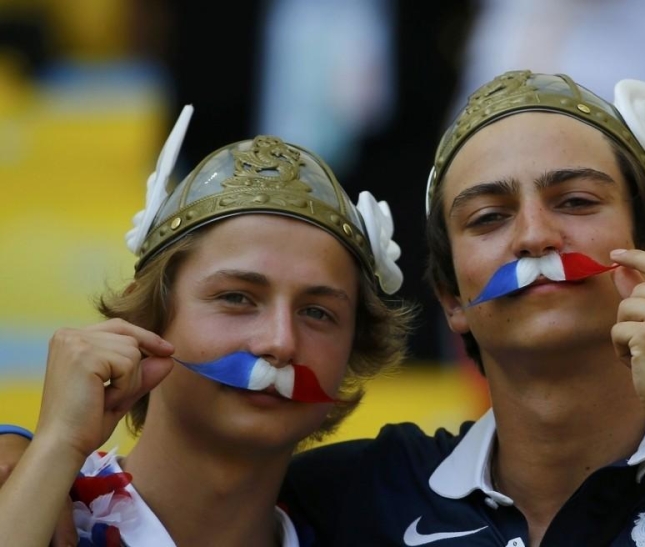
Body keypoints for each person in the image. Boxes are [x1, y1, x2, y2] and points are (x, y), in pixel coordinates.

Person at [4, 66, 645, 546]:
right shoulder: (364, 496)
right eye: (489, 216)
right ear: (450, 299)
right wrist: (40, 452)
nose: (535, 236)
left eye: (575, 200)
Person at [0, 105, 413, 546]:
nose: (280, 342)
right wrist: (54, 448)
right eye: (236, 298)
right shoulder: (32, 507)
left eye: (317, 312)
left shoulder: (379, 523)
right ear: (150, 317)